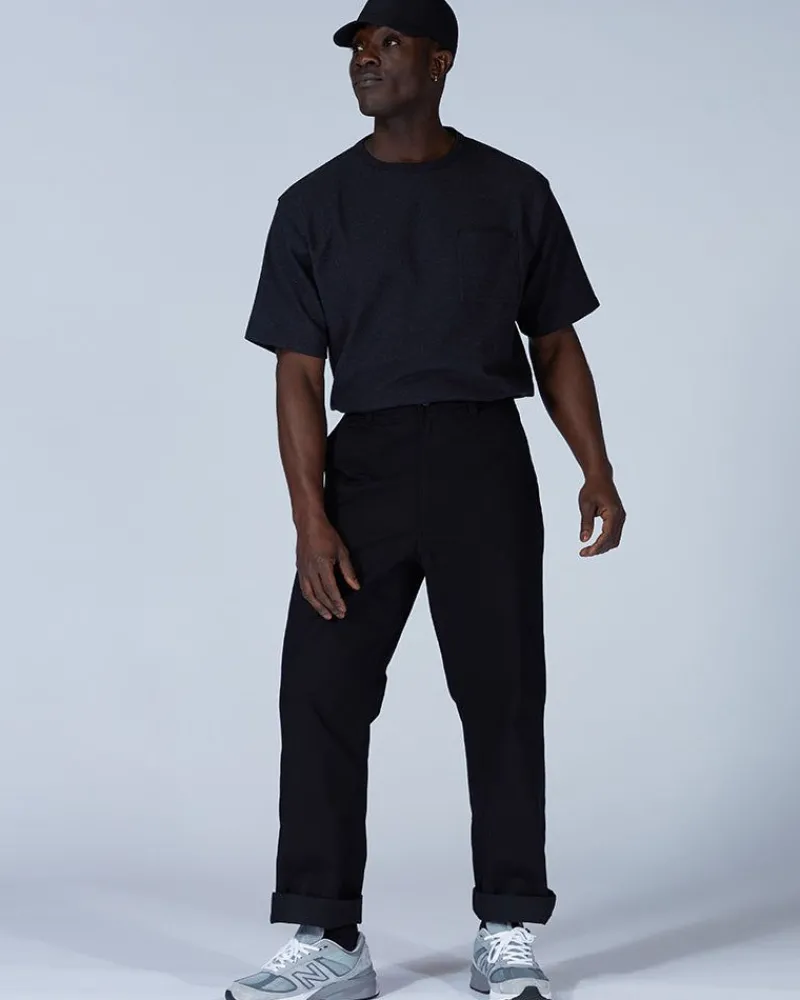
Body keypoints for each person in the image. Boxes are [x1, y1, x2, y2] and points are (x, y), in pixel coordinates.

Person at [227, 1, 626, 998]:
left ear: (440, 61)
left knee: (502, 693)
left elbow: (555, 342)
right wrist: (309, 517)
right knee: (319, 690)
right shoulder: (311, 204)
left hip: (483, 459)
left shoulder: (513, 191)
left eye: (388, 43)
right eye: (357, 48)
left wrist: (596, 467)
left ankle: (506, 927)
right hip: (361, 466)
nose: (366, 60)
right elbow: (295, 370)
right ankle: (328, 937)